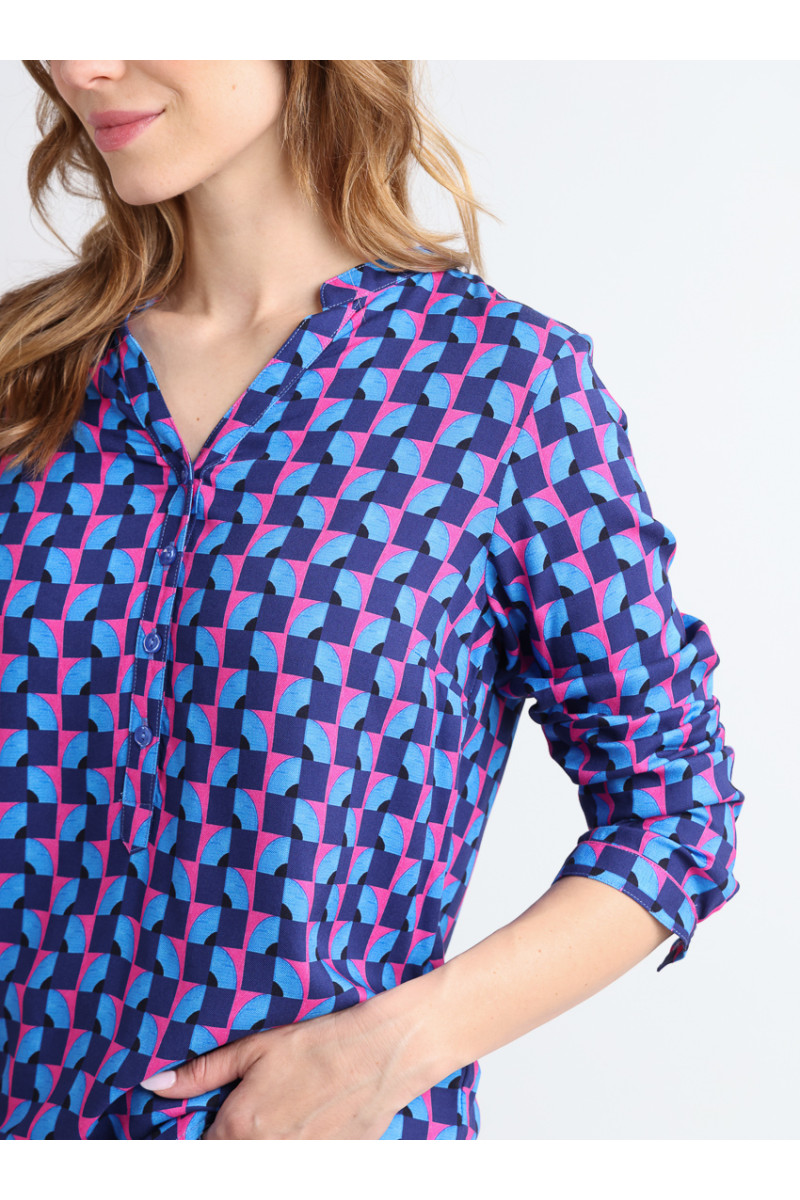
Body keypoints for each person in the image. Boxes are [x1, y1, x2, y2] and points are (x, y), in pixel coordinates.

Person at [0, 60, 744, 1141]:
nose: (82, 64)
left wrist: (394, 1047)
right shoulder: (23, 373)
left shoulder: (497, 387)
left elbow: (675, 809)